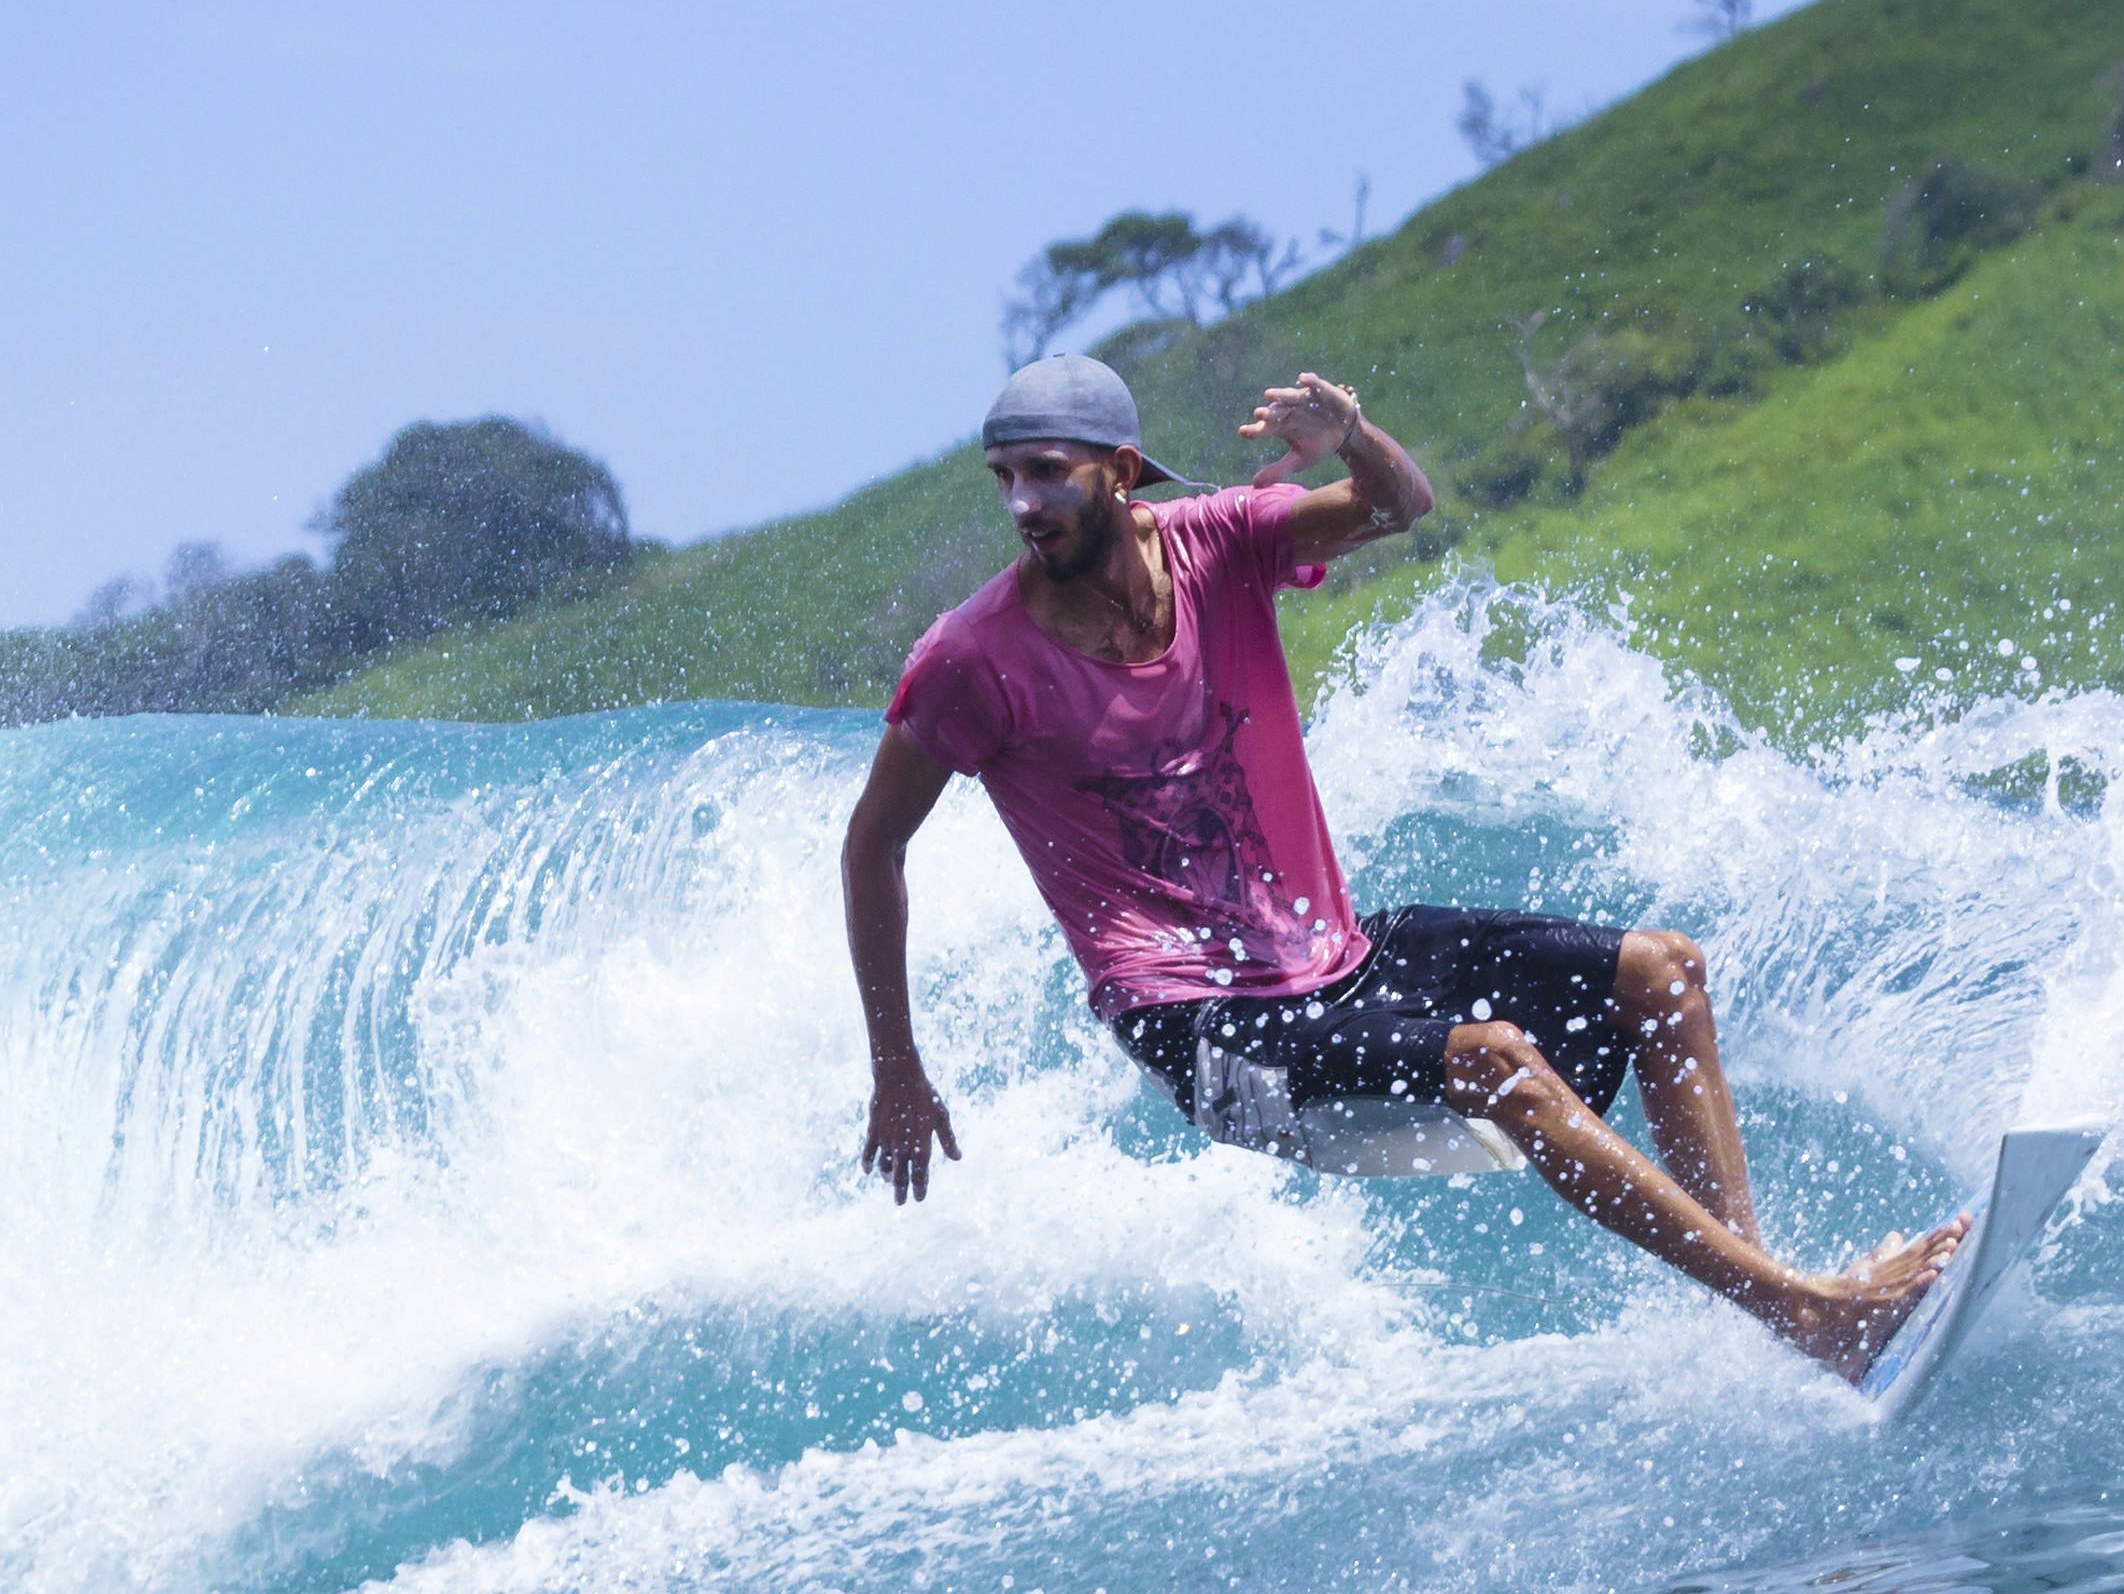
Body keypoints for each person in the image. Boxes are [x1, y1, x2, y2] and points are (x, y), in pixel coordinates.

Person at [842, 352, 1966, 1377]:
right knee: (1498, 1061)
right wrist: (898, 1063)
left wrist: (1353, 434)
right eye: (1003, 477)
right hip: (1197, 1022)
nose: (1021, 505)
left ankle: (1784, 1315)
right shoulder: (970, 659)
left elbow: (1397, 504)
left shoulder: (1216, 541)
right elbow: (872, 844)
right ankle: (1802, 1310)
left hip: (1332, 961)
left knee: (1662, 972)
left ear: (1122, 469)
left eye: (1046, 472)